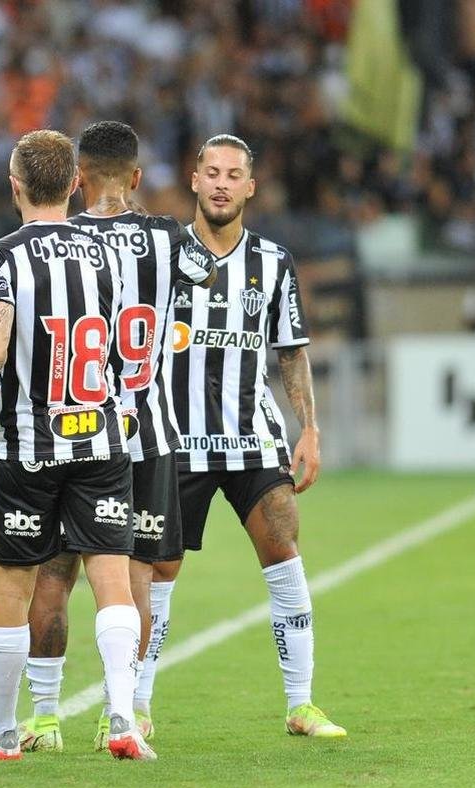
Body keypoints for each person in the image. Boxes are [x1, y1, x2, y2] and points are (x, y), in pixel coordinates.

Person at [16, 120, 216, 752]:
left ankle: (45, 715)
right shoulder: (167, 237)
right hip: (149, 430)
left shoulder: (64, 241)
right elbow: (206, 275)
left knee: (55, 572)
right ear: (134, 176)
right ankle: (123, 711)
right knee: (135, 576)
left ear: (76, 182)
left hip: (73, 429)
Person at [0, 129, 154, 761]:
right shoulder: (106, 253)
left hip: (27, 447)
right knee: (113, 582)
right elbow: (132, 341)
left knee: (13, 587)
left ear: (14, 186)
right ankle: (122, 716)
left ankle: (7, 731)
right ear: (74, 185)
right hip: (100, 439)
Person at [149, 134, 347, 738]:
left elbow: (291, 352)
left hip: (251, 435)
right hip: (175, 437)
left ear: (250, 187)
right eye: (211, 172)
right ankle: (134, 708)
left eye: (233, 175)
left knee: (284, 549)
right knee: (158, 571)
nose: (221, 183)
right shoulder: (158, 254)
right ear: (194, 179)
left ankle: (301, 704)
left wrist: (309, 428)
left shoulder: (273, 261)